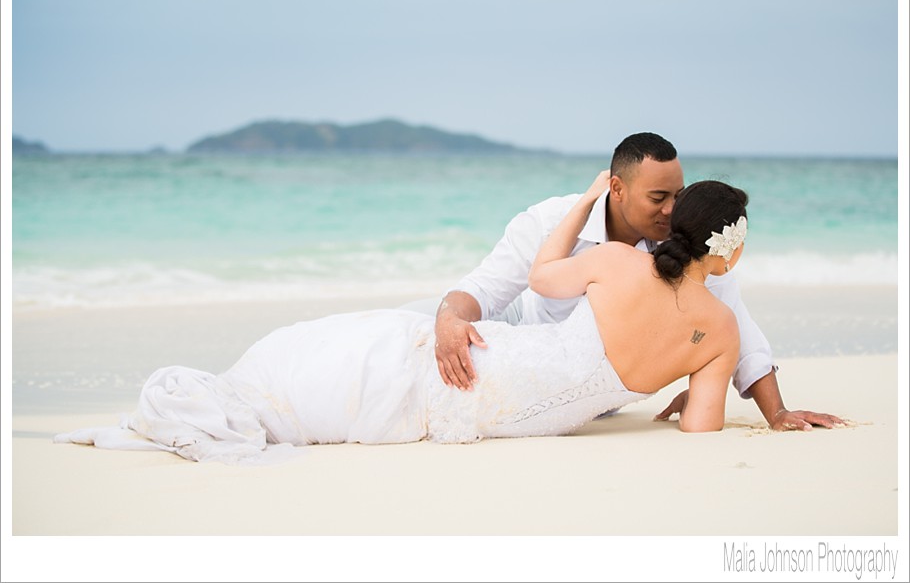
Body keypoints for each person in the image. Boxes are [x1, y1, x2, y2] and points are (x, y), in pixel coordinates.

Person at [57, 177, 757, 464]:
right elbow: (700, 429)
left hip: (489, 363)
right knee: (351, 370)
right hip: (508, 416)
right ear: (724, 246)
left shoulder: (616, 260)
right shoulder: (719, 334)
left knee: (347, 350)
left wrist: (582, 202)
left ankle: (224, 399)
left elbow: (544, 274)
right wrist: (669, 385)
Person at [432, 132, 845, 431]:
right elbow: (485, 289)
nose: (671, 210)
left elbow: (738, 327)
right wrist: (448, 321)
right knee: (411, 331)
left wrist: (776, 412)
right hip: (522, 325)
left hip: (585, 395)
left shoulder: (685, 246)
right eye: (657, 197)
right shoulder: (551, 221)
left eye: (678, 196)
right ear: (616, 189)